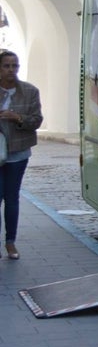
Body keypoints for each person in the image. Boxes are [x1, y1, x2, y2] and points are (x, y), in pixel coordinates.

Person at [0, 49, 42, 260]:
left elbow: (37, 120)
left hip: (18, 153)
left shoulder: (29, 91)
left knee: (12, 198)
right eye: (6, 65)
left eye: (14, 65)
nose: (10, 70)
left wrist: (16, 117)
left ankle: (10, 243)